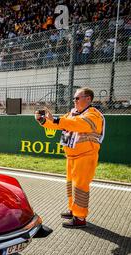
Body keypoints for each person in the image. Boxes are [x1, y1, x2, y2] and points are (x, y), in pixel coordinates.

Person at [35, 87, 105, 228]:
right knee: (71, 185)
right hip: (71, 156)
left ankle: (80, 218)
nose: (74, 100)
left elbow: (76, 124)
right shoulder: (72, 113)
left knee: (80, 187)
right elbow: (59, 124)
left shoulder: (94, 115)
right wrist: (43, 121)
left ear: (88, 99)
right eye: (74, 98)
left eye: (77, 98)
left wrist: (55, 119)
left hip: (86, 156)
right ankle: (73, 209)